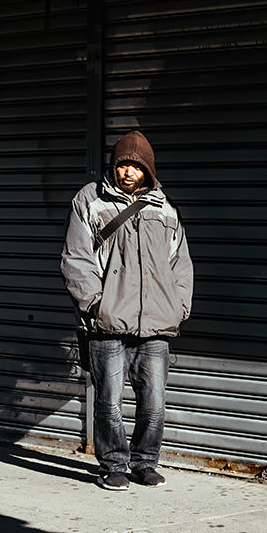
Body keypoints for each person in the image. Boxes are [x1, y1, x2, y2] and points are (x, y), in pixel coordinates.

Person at [61, 131, 194, 491]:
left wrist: (177, 307)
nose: (128, 171)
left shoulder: (164, 208)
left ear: (147, 169)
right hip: (107, 323)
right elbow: (76, 258)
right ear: (114, 166)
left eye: (136, 165)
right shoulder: (90, 200)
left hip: (156, 323)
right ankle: (113, 465)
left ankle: (145, 462)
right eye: (123, 164)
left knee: (153, 403)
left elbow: (180, 263)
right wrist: (96, 304)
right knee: (109, 401)